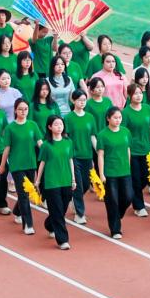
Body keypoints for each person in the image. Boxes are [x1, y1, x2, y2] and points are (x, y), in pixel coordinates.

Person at [0, 98, 43, 235]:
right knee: (23, 194)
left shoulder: (33, 125)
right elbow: (7, 148)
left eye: (25, 109)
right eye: (20, 109)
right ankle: (28, 224)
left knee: (27, 193)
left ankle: (17, 211)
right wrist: (2, 165)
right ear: (15, 110)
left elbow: (40, 143)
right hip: (17, 165)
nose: (23, 111)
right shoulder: (10, 128)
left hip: (30, 164)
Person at [37, 115, 77, 249]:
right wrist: (38, 180)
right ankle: (63, 240)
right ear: (49, 127)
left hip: (66, 180)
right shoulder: (46, 145)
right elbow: (42, 163)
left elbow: (70, 160)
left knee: (62, 208)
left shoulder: (68, 142)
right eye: (56, 124)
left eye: (61, 124)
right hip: (51, 182)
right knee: (58, 210)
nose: (59, 127)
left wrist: (73, 179)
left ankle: (49, 224)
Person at [96, 106, 134, 239]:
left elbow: (128, 149)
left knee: (128, 197)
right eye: (115, 118)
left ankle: (117, 215)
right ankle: (115, 229)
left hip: (124, 171)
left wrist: (129, 166)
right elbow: (100, 155)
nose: (118, 120)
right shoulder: (102, 135)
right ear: (108, 118)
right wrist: (101, 174)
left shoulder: (126, 132)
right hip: (110, 172)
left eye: (120, 117)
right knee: (112, 201)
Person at [64, 89, 98, 225]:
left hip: (87, 155)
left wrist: (99, 151)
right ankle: (80, 213)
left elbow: (92, 136)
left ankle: (73, 199)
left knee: (85, 184)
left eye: (84, 100)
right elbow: (66, 137)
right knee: (78, 184)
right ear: (73, 101)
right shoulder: (68, 118)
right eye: (79, 100)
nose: (82, 102)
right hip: (74, 156)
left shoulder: (90, 117)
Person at [123, 84, 150, 217]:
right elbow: (124, 133)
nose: (138, 96)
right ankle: (139, 206)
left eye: (140, 93)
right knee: (136, 178)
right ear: (129, 96)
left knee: (146, 177)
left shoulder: (147, 109)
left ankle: (133, 193)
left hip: (147, 149)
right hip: (133, 151)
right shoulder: (125, 113)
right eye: (135, 93)